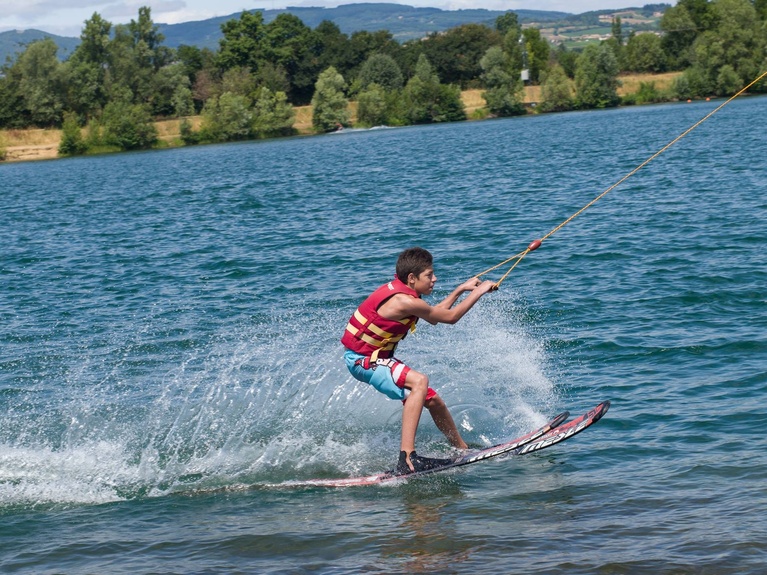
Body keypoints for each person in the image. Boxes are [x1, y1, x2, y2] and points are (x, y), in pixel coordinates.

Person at [341, 247, 496, 475]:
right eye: (429, 275)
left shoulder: (405, 295)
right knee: (419, 381)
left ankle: (461, 449)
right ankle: (407, 458)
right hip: (364, 361)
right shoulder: (404, 301)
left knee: (434, 401)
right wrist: (480, 291)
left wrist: (461, 289)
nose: (435, 279)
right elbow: (450, 317)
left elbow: (434, 314)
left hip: (372, 359)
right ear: (412, 278)